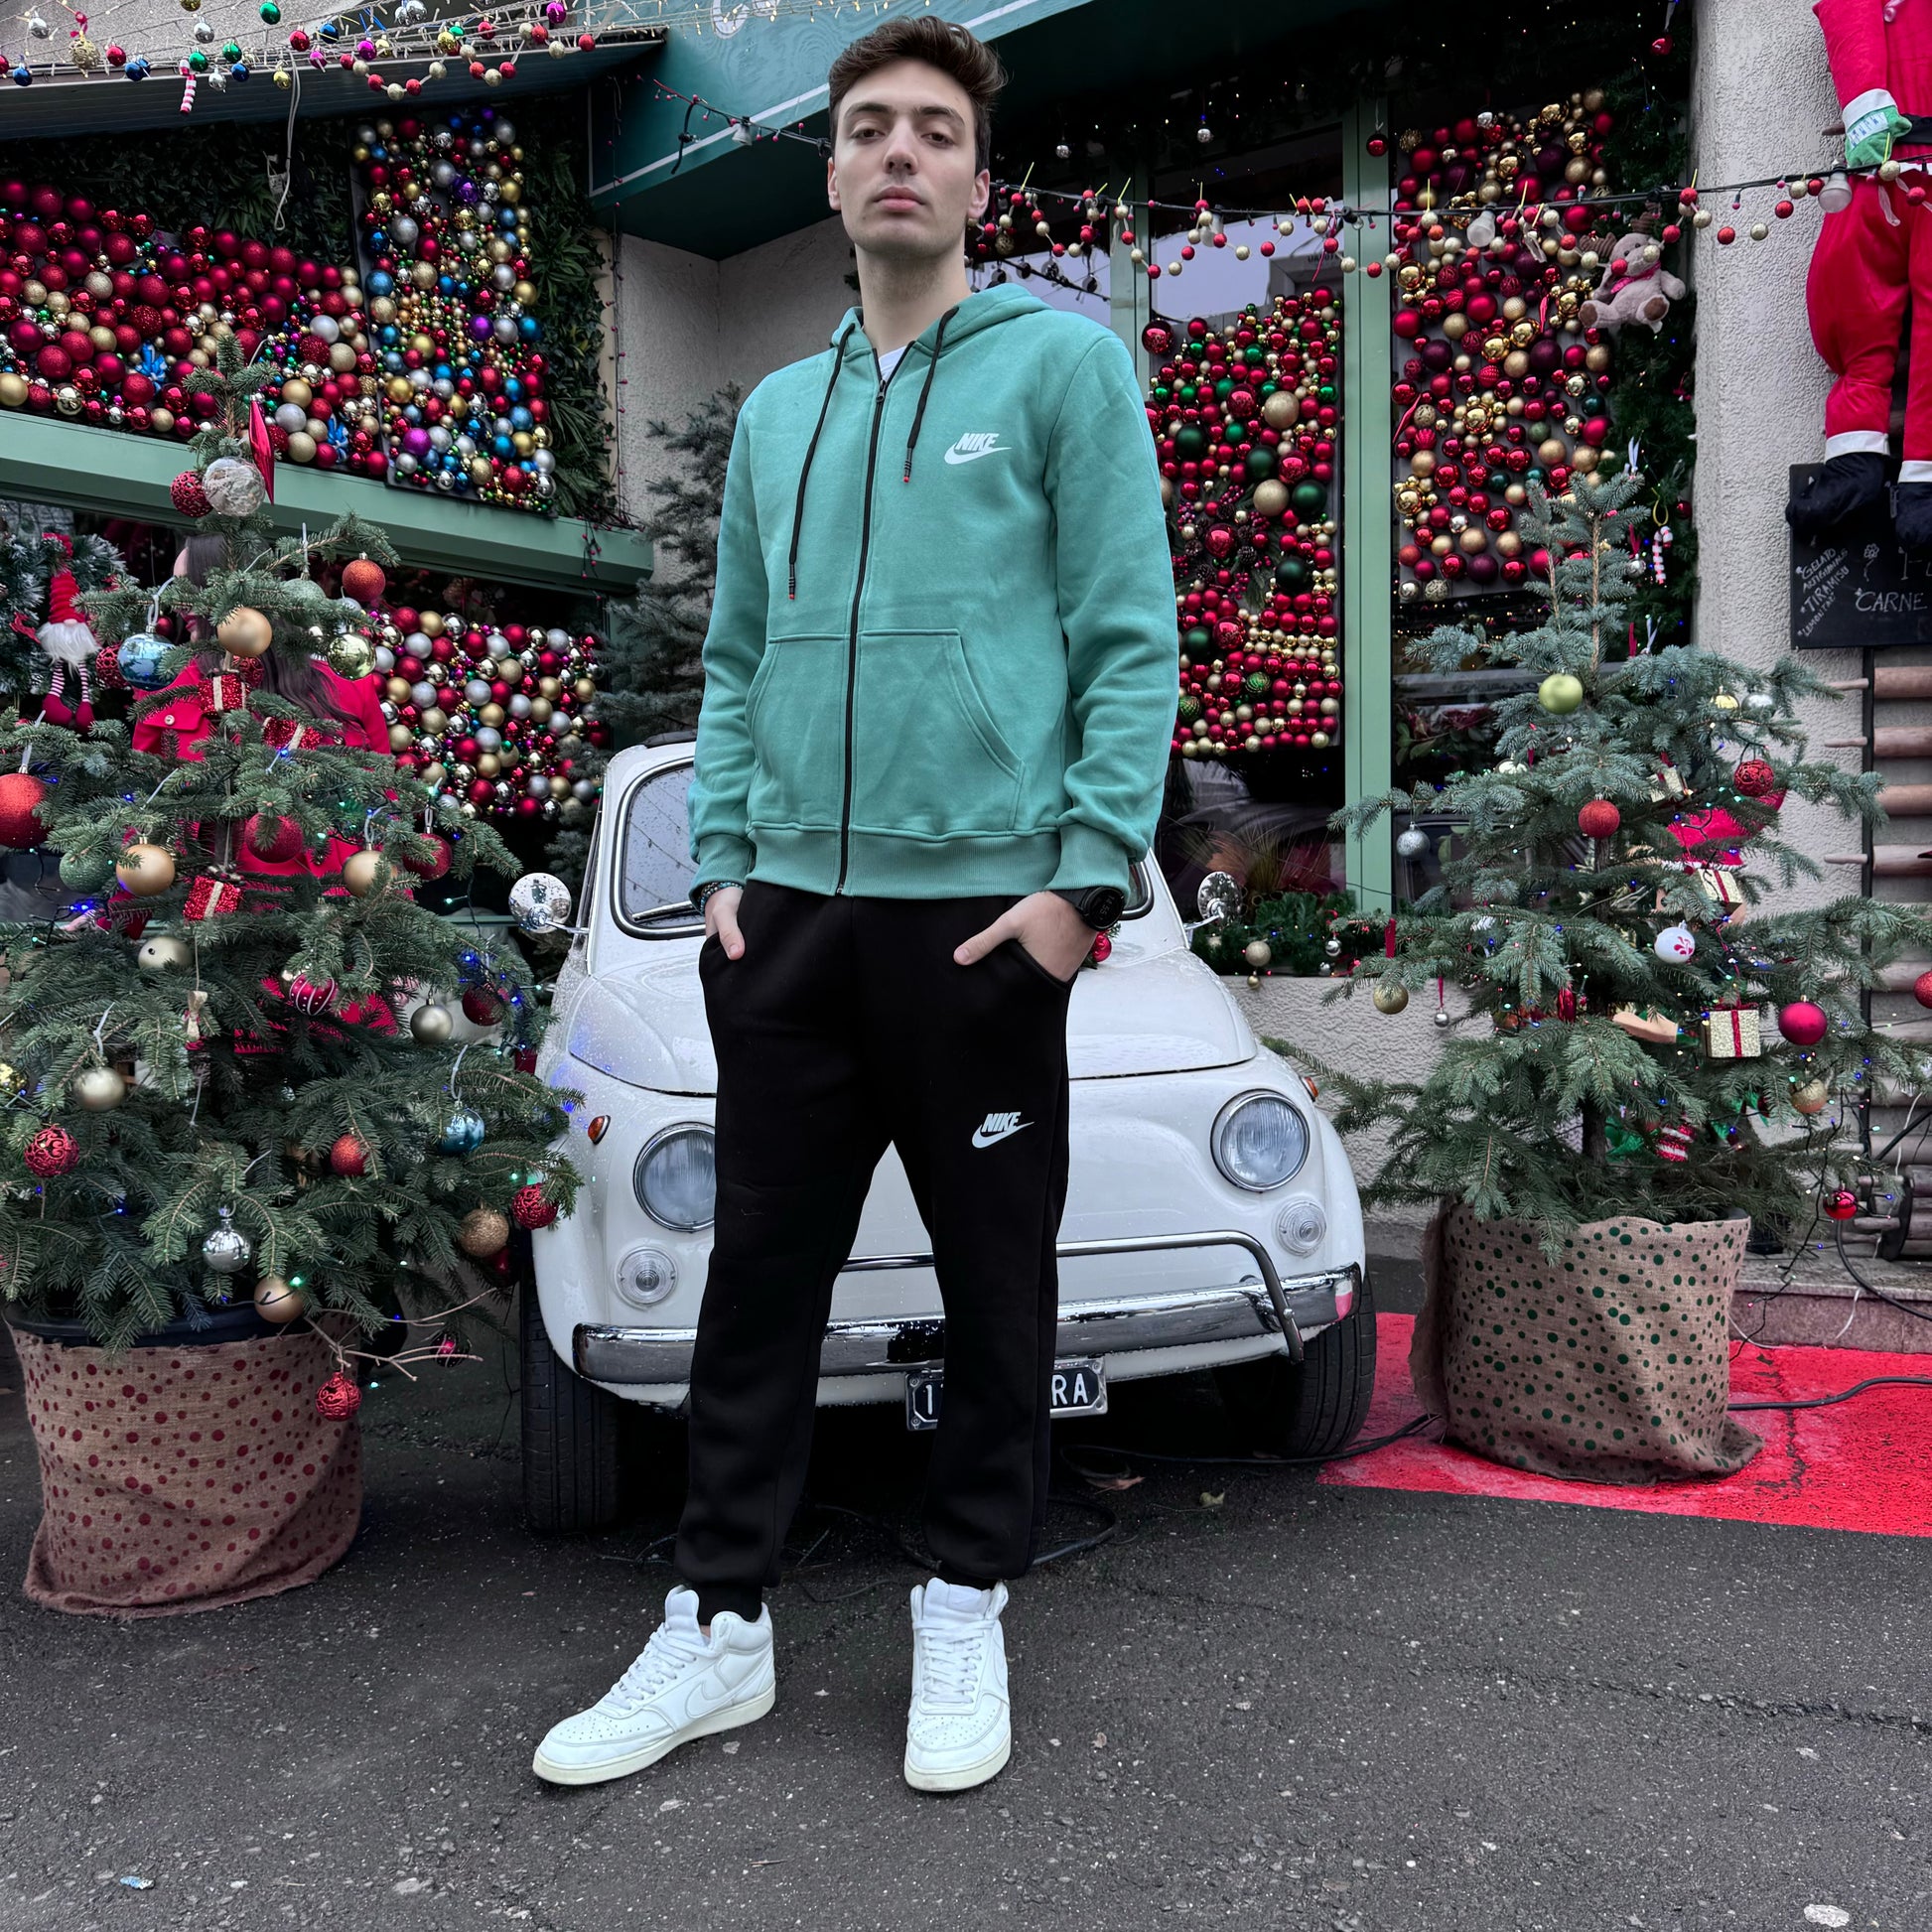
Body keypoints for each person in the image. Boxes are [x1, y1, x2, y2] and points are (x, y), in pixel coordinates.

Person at [533, 15, 1173, 1796]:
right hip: (790, 930)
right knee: (758, 1284)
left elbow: (1128, 642)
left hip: (979, 924)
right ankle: (716, 1621)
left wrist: (1080, 887)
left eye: (934, 130)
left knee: (993, 1283)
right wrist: (722, 861)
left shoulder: (1063, 371)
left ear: (977, 175)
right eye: (871, 125)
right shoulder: (779, 416)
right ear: (829, 172)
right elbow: (737, 660)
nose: (901, 151)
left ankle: (963, 1595)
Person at [131, 534, 391, 879]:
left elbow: (383, 805)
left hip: (327, 899)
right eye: (175, 589)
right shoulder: (168, 689)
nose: (178, 604)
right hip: (213, 899)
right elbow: (147, 811)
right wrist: (124, 899)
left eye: (192, 587)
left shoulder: (347, 687)